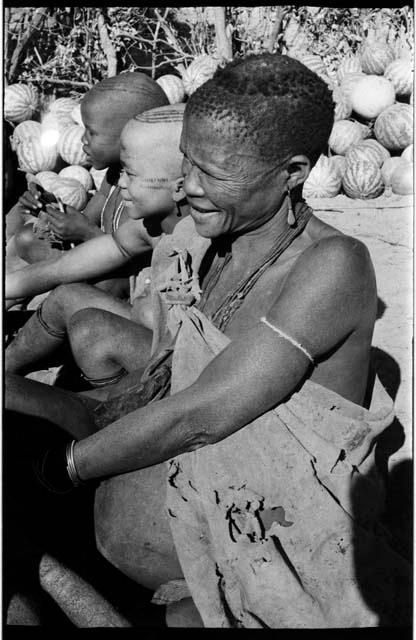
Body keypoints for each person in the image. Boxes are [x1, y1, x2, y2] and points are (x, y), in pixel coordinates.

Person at [5, 53, 410, 628]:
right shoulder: (206, 232)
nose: (187, 186)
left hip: (268, 527)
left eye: (212, 174)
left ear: (293, 172)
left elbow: (204, 413)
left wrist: (60, 467)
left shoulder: (335, 264)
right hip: (169, 493)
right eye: (187, 163)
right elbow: (166, 373)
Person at [5, 104, 188, 385]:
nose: (121, 182)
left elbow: (167, 324)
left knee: (91, 327)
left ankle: (111, 405)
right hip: (148, 331)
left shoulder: (198, 237)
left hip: (177, 359)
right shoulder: (148, 226)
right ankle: (7, 367)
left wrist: (148, 303)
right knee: (66, 294)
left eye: (132, 174)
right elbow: (64, 266)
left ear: (178, 186)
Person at [5, 71, 169, 301]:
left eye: (91, 132)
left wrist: (84, 231)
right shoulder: (114, 174)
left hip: (123, 281)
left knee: (100, 286)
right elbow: (88, 217)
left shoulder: (148, 190)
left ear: (129, 135)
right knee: (28, 236)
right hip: (90, 257)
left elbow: (125, 253)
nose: (83, 140)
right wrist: (53, 208)